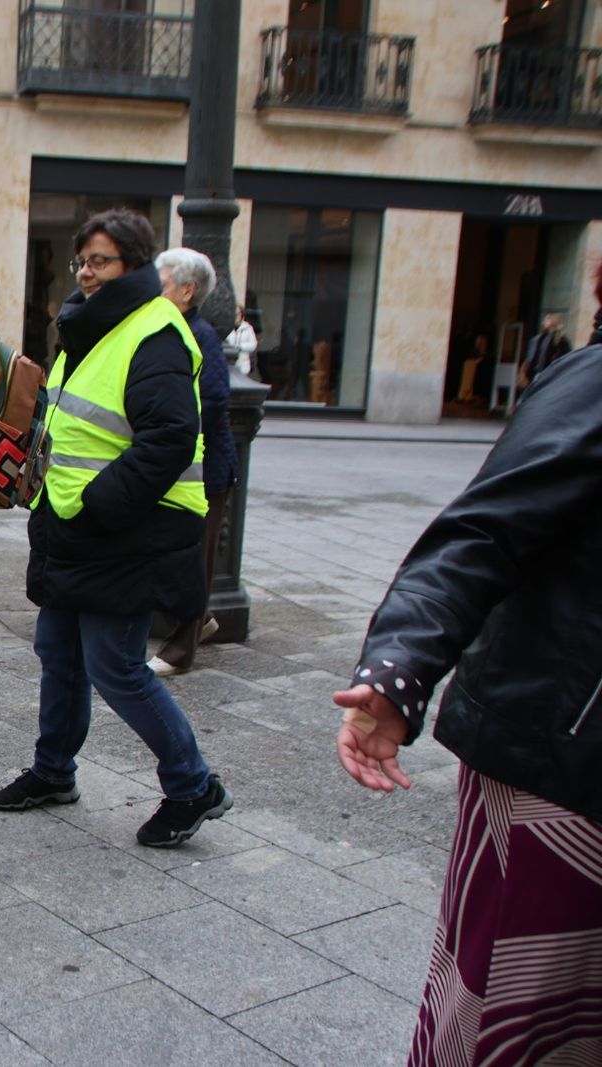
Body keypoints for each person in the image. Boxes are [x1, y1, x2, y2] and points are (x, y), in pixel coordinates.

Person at [334, 296, 602, 1065]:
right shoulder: (593, 383)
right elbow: (478, 533)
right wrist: (397, 672)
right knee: (510, 1022)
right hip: (565, 767)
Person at [0, 209, 232, 848]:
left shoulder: (155, 332)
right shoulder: (93, 327)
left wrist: (99, 502)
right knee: (59, 652)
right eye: (83, 262)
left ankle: (192, 783)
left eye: (101, 262)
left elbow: (172, 436)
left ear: (135, 266)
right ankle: (52, 772)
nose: (88, 274)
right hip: (80, 523)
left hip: (129, 528)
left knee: (116, 666)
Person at [149, 248, 239, 676]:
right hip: (187, 464)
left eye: (161, 283)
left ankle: (181, 649)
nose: (153, 290)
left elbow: (217, 398)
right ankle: (199, 619)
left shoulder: (198, 333)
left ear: (187, 291)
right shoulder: (173, 327)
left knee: (194, 557)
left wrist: (176, 427)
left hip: (205, 468)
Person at [520, 310, 571, 384]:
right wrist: (523, 373)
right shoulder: (538, 339)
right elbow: (529, 359)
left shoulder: (561, 341)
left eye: (550, 316)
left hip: (549, 376)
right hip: (534, 375)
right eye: (546, 317)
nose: (547, 317)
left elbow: (563, 360)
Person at [225, 303, 257, 378]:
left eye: (238, 313)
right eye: (234, 313)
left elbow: (253, 345)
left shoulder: (248, 328)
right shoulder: (227, 328)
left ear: (242, 314)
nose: (236, 315)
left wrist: (240, 347)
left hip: (243, 365)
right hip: (228, 365)